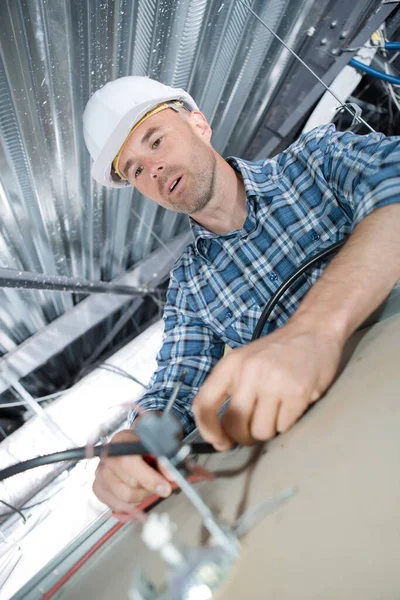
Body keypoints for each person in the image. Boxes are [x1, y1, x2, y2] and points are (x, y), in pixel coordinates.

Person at [83, 76, 400, 513]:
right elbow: (173, 387)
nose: (151, 169)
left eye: (155, 141)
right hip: (343, 450)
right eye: (135, 169)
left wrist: (314, 331)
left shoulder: (317, 161)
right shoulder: (192, 288)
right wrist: (138, 441)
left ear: (199, 124)